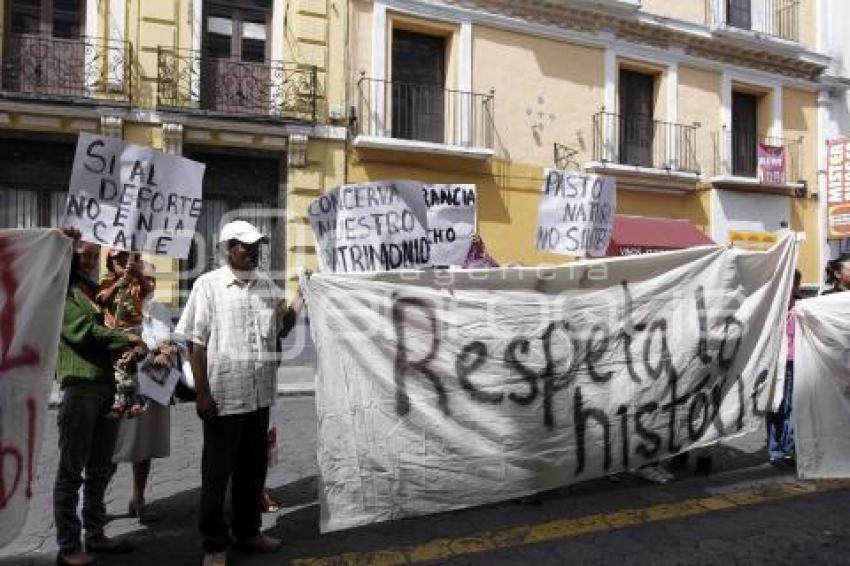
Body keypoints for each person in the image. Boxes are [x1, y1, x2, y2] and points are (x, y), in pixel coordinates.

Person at [175, 220, 305, 566]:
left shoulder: (266, 286)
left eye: (256, 246)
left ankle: (248, 532)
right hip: (224, 398)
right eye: (244, 246)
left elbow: (283, 328)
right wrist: (201, 393)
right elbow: (196, 345)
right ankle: (214, 544)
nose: (252, 251)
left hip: (259, 396)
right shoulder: (208, 286)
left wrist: (300, 298)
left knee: (252, 471)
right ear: (227, 248)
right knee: (217, 474)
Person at [54, 238, 145, 566]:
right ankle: (68, 546)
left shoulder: (93, 292)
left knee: (99, 468)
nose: (88, 261)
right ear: (70, 256)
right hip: (80, 389)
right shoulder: (63, 291)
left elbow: (110, 325)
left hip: (105, 388)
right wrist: (127, 338)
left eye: (93, 256)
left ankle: (94, 533)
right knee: (71, 471)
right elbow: (82, 332)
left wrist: (128, 345)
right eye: (83, 255)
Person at [112, 264, 179, 523]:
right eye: (142, 278)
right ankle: (93, 503)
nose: (146, 284)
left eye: (151, 279)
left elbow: (168, 339)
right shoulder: (118, 306)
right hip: (125, 383)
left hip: (152, 383)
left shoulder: (158, 308)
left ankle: (138, 497)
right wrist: (146, 346)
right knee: (115, 444)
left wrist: (166, 349)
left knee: (145, 445)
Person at [96, 248, 152, 417]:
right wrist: (116, 286)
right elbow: (101, 301)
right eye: (118, 261)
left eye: (126, 260)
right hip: (115, 331)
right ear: (110, 265)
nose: (122, 264)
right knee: (120, 366)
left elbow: (148, 293)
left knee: (132, 363)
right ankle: (121, 399)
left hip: (134, 330)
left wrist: (139, 275)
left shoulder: (137, 284)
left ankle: (134, 399)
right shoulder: (107, 283)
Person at [767, 269, 802, 465]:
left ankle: (786, 449)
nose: (794, 288)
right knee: (776, 406)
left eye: (796, 283)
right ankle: (776, 450)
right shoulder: (775, 307)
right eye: (792, 283)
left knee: (790, 407)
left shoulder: (801, 307)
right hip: (777, 363)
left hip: (794, 361)